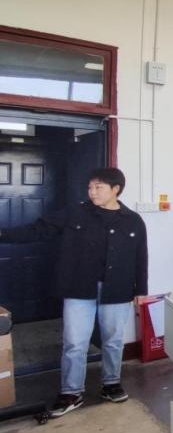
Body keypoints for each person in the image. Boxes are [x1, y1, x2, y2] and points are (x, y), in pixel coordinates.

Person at [0, 167, 147, 417]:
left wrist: (140, 289)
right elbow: (39, 229)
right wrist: (3, 234)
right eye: (90, 187)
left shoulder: (133, 220)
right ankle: (71, 392)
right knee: (75, 343)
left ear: (116, 189)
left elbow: (140, 257)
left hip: (118, 288)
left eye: (98, 187)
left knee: (113, 340)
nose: (92, 192)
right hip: (79, 287)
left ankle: (111, 383)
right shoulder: (76, 213)